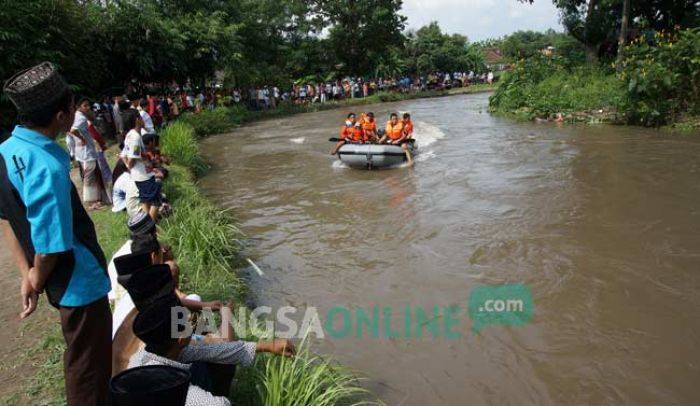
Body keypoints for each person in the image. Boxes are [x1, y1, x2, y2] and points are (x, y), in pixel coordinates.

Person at [0, 62, 111, 405]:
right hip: (80, 285)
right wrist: (35, 274)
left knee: (80, 359)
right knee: (88, 370)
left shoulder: (5, 151)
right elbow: (50, 246)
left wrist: (27, 275)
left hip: (60, 283)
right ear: (62, 115)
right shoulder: (47, 167)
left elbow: (7, 219)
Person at [128, 295, 295, 406]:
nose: (193, 323)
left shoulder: (156, 351)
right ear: (180, 338)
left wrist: (268, 346)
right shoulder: (169, 386)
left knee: (223, 358)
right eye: (189, 321)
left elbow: (217, 350)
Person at [120, 109, 161, 220]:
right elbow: (133, 157)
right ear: (137, 120)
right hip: (144, 176)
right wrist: (129, 165)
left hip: (139, 175)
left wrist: (129, 165)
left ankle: (146, 225)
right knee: (156, 201)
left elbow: (123, 154)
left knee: (145, 201)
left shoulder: (129, 135)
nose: (143, 120)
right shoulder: (135, 137)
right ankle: (149, 226)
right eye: (141, 118)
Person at [71, 98, 107, 210]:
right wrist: (82, 138)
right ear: (78, 107)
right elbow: (73, 130)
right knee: (90, 176)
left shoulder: (75, 116)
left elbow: (69, 130)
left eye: (88, 106)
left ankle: (96, 199)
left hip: (82, 151)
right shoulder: (81, 118)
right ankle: (93, 202)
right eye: (85, 106)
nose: (88, 108)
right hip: (86, 152)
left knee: (90, 174)